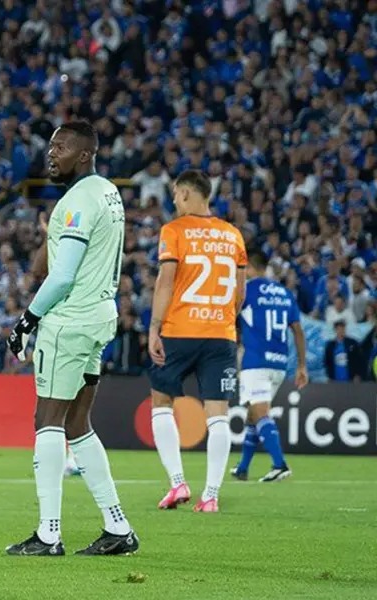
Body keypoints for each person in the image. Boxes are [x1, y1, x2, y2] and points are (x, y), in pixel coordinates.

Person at [5, 121, 137, 556]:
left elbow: (60, 276)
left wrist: (26, 321)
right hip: (100, 316)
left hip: (70, 321)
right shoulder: (108, 192)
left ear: (84, 154)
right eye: (50, 146)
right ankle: (118, 528)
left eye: (60, 148)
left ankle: (49, 534)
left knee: (47, 420)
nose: (51, 154)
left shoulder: (76, 202)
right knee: (78, 424)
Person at [147, 170, 247, 514]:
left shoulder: (174, 230)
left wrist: (154, 328)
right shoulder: (233, 235)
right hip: (220, 334)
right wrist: (222, 319)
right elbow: (240, 292)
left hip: (179, 331)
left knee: (161, 402)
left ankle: (178, 483)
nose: (175, 200)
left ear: (187, 193)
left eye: (177, 194)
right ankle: (211, 496)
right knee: (218, 414)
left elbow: (166, 281)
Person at [232, 252, 308, 483]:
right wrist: (302, 365)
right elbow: (298, 330)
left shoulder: (246, 290)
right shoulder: (284, 293)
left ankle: (279, 464)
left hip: (256, 361)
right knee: (253, 414)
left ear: (249, 267)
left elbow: (229, 317)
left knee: (260, 413)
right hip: (279, 363)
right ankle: (243, 467)